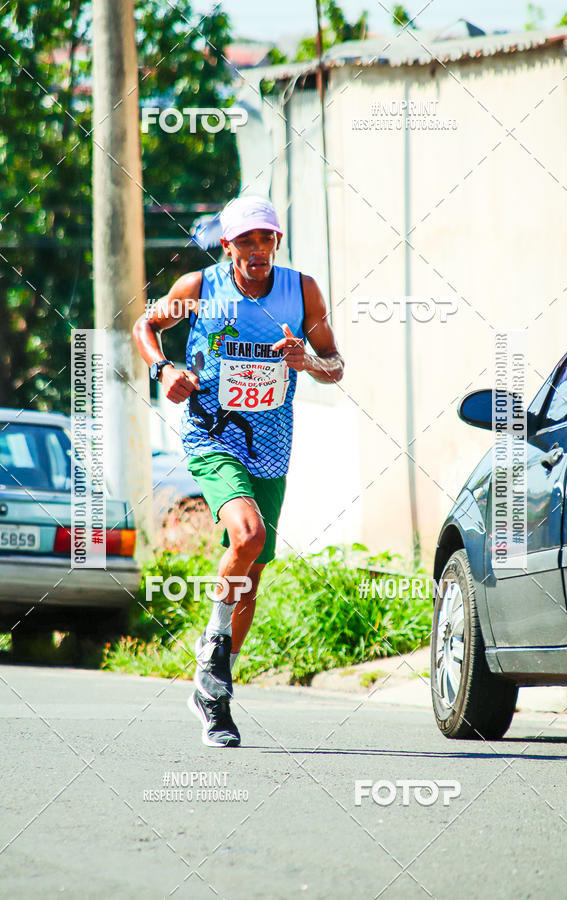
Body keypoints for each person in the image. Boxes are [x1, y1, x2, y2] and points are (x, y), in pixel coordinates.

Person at [133, 195, 344, 747]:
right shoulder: (199, 290)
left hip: (272, 443)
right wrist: (164, 369)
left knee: (250, 572)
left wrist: (309, 362)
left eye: (265, 239)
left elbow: (336, 364)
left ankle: (213, 694)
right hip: (211, 433)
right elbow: (144, 327)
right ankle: (213, 651)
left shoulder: (302, 291)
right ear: (226, 246)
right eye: (244, 240)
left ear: (277, 242)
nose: (256, 249)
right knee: (245, 536)